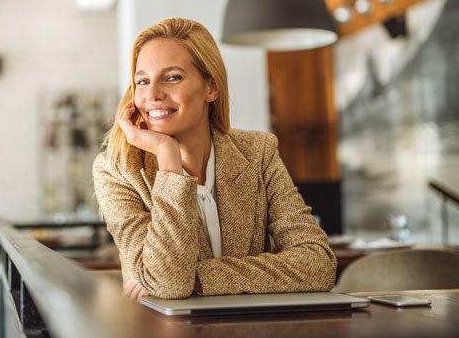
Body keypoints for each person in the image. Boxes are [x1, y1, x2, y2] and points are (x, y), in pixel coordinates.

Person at [92, 18, 336, 300]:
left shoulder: (258, 151)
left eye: (172, 77)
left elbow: (318, 264)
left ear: (211, 88)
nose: (153, 95)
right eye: (143, 81)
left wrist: (196, 276)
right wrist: (168, 160)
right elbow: (169, 284)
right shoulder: (117, 170)